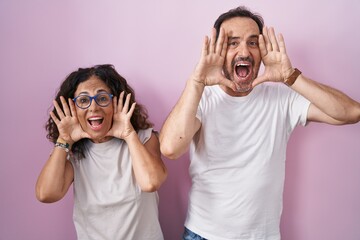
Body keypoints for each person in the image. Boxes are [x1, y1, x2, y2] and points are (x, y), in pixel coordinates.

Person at [159, 6, 360, 240]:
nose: (244, 51)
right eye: (232, 43)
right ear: (217, 51)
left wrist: (291, 77)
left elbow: (351, 113)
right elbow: (170, 148)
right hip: (204, 234)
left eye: (252, 42)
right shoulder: (201, 100)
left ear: (262, 51)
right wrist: (197, 82)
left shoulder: (281, 98)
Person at [36, 64, 167, 240]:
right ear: (72, 109)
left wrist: (128, 134)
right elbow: (46, 194)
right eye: (83, 100)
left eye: (102, 98)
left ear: (116, 103)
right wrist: (64, 140)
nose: (94, 108)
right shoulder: (71, 152)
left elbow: (151, 183)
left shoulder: (144, 138)